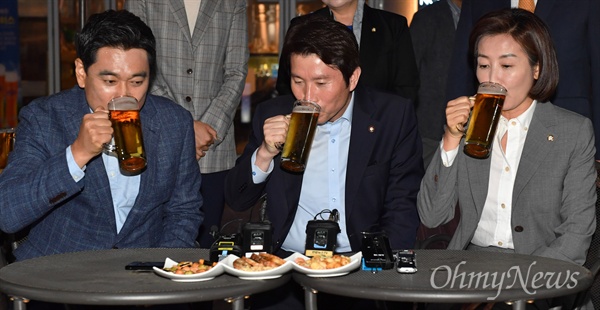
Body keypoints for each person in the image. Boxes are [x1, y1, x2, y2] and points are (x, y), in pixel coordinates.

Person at [225, 13, 423, 310]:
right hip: (287, 266)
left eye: (321, 83)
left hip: (359, 266)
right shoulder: (273, 113)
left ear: (353, 77)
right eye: (297, 81)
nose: (308, 96)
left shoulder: (391, 116)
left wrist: (381, 275)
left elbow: (403, 204)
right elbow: (237, 198)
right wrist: (265, 153)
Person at [418, 8, 596, 309]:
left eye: (506, 66)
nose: (492, 79)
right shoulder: (470, 126)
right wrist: (449, 139)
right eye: (483, 65)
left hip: (543, 276)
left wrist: (516, 285)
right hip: (468, 276)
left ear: (536, 68)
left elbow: (576, 235)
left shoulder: (573, 131)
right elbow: (432, 216)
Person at [0, 10, 203, 262]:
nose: (125, 96)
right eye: (110, 81)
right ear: (82, 73)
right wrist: (77, 154)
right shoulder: (45, 118)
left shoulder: (174, 123)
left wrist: (162, 267)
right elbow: (7, 213)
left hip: (141, 275)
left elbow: (184, 211)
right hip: (59, 273)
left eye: (137, 82)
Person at [125, 0, 249, 248]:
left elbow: (236, 72)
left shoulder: (234, 3)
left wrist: (208, 128)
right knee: (150, 243)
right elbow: (137, 64)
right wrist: (182, 126)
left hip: (212, 148)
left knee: (208, 247)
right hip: (157, 139)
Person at [445, 0, 600, 161]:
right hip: (490, 126)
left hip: (565, 128)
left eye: (506, 65)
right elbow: (461, 68)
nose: (493, 78)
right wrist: (453, 131)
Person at [275, 0, 419, 102]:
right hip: (317, 130)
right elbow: (285, 84)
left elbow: (406, 88)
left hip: (378, 131)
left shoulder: (392, 26)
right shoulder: (302, 26)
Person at [411, 0, 462, 168]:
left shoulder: (483, 15)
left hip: (469, 127)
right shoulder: (427, 18)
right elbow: (410, 72)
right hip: (429, 129)